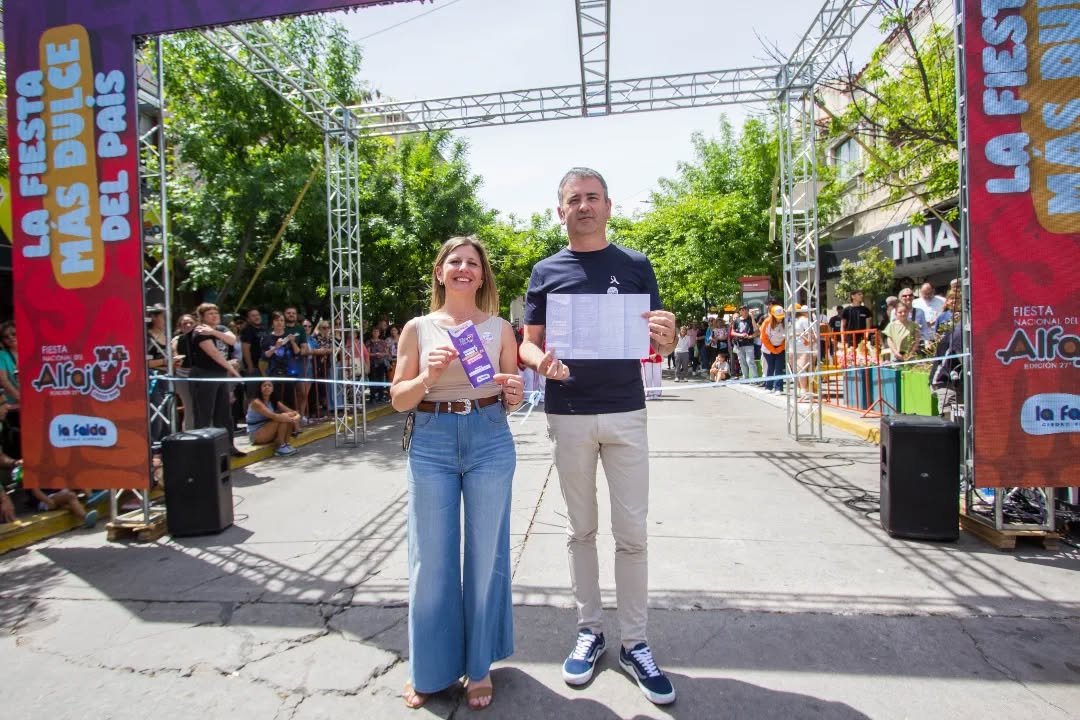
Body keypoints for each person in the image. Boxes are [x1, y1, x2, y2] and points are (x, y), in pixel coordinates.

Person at [519, 167, 678, 706]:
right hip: (568, 414)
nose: (583, 206)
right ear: (560, 210)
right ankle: (590, 630)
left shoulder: (635, 265)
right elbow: (528, 342)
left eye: (592, 197)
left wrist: (668, 339)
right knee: (580, 530)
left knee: (632, 534)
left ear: (609, 205)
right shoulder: (546, 271)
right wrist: (540, 361)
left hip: (626, 411)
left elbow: (658, 341)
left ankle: (635, 642)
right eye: (574, 199)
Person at [390, 235, 524, 711]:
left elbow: (511, 394)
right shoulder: (417, 329)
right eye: (455, 261)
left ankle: (480, 665)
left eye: (473, 263)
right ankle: (430, 669)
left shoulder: (501, 329)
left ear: (482, 275)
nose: (464, 268)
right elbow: (399, 398)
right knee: (430, 560)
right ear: (440, 271)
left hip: (489, 437)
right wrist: (427, 376)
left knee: (487, 554)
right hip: (432, 440)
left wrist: (513, 393)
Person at [188, 303, 244, 457]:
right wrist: (233, 371)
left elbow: (232, 340)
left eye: (216, 313)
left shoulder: (220, 329)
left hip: (220, 374)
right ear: (202, 317)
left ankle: (228, 446)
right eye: (210, 314)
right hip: (205, 374)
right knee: (204, 413)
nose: (214, 316)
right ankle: (202, 451)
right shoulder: (199, 331)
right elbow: (214, 353)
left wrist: (213, 331)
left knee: (224, 413)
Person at [246, 381, 300, 456]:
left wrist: (296, 417)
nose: (267, 387)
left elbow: (293, 412)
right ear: (260, 388)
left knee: (287, 416)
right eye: (264, 385)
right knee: (283, 418)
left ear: (273, 389)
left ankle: (286, 444)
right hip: (255, 435)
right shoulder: (256, 402)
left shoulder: (273, 400)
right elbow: (274, 416)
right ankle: (281, 447)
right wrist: (292, 418)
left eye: (269, 385)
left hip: (267, 430)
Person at [171, 315, 197, 431]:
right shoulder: (177, 339)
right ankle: (188, 433)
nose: (188, 325)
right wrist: (177, 358)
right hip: (183, 377)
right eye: (184, 323)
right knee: (189, 407)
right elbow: (174, 353)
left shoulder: (200, 338)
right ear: (180, 327)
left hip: (199, 375)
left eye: (191, 322)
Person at [0, 321, 20, 460]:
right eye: (6, 337)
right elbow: (3, 380)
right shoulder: (2, 355)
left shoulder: (32, 349)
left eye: (13, 334)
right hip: (14, 404)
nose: (11, 338)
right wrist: (19, 397)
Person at [760, 305, 786, 393]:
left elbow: (788, 337)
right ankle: (768, 387)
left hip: (780, 348)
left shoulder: (786, 322)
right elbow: (763, 338)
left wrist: (780, 348)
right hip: (768, 349)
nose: (780, 318)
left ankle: (778, 388)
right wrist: (773, 349)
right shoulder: (767, 322)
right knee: (770, 367)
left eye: (781, 317)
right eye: (778, 317)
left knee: (779, 368)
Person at [793, 305, 816, 400]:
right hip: (795, 348)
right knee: (798, 369)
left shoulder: (805, 320)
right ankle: (801, 389)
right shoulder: (795, 320)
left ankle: (805, 390)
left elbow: (812, 333)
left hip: (805, 348)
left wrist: (807, 339)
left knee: (802, 368)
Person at [731, 305, 758, 382]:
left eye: (746, 309)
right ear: (740, 312)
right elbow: (732, 332)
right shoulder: (736, 321)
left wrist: (752, 317)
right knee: (742, 362)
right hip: (739, 344)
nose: (745, 311)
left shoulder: (751, 319)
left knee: (750, 361)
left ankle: (756, 378)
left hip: (749, 343)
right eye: (742, 310)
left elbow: (756, 330)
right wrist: (741, 335)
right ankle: (745, 378)